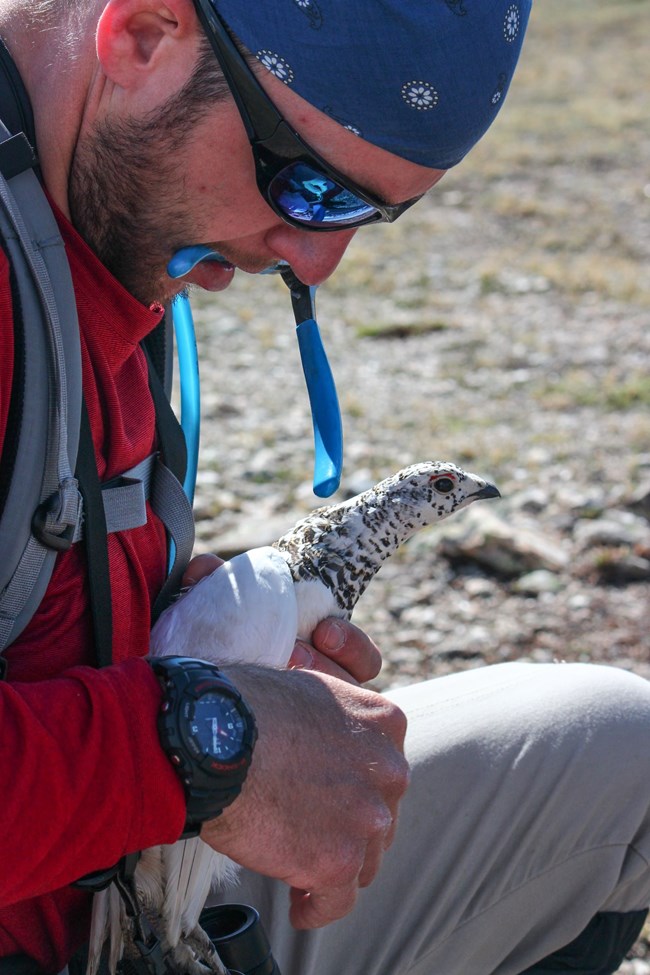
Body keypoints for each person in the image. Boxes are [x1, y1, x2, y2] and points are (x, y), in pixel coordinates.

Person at [0, 2, 649, 974]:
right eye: (308, 190)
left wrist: (193, 637)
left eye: (368, 216)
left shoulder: (91, 222)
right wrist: (206, 741)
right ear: (140, 35)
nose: (314, 262)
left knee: (618, 754)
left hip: (116, 876)